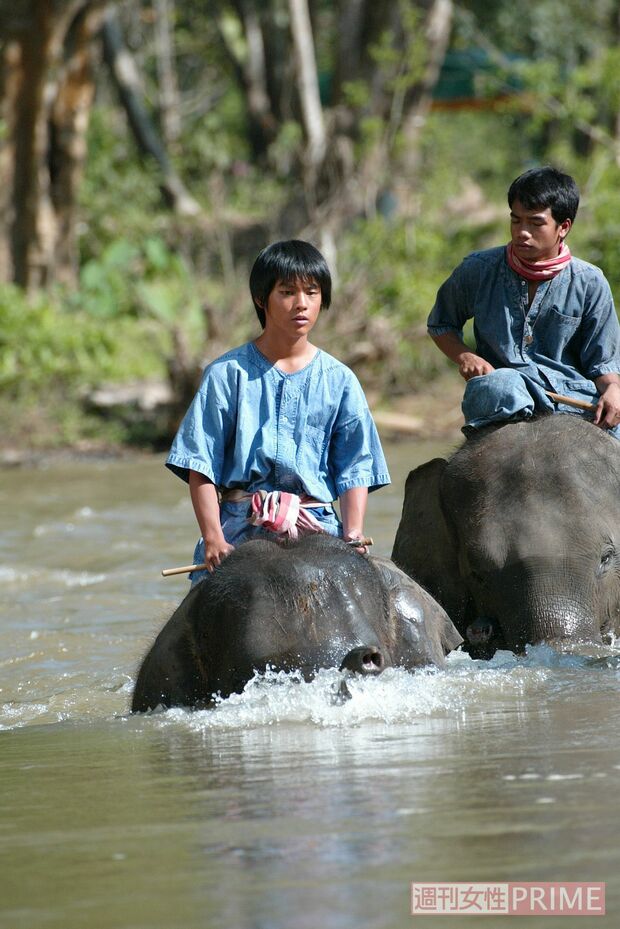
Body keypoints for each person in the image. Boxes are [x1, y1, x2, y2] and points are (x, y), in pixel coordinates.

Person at [166, 239, 391, 584]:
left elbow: (355, 467)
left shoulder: (341, 380)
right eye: (287, 292)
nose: (301, 304)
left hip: (315, 524)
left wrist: (353, 533)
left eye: (312, 292)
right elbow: (200, 466)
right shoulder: (226, 375)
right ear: (261, 299)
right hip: (240, 527)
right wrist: (213, 538)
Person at [427, 165, 620, 437]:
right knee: (502, 385)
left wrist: (613, 390)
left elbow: (604, 364)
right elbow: (441, 324)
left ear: (563, 227)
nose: (522, 232)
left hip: (571, 398)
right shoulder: (478, 269)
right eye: (516, 220)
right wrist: (465, 356)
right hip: (502, 395)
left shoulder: (591, 282)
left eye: (535, 222)